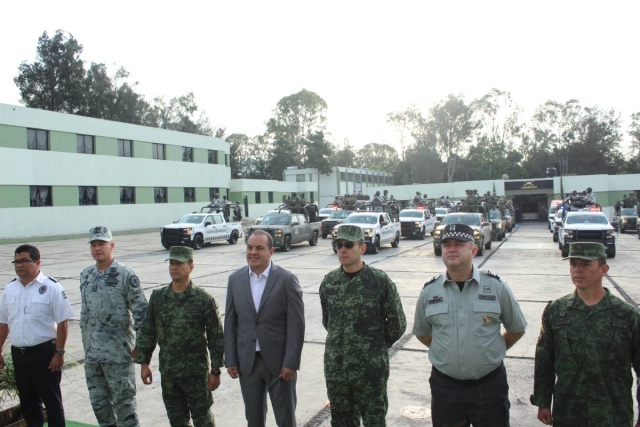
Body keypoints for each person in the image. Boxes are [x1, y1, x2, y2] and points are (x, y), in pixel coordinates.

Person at [413, 223, 527, 426]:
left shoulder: (496, 287)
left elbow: (516, 329)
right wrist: (447, 351)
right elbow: (422, 333)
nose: (451, 248)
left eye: (459, 244)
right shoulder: (429, 292)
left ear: (474, 250)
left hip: (489, 386)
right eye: (446, 244)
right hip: (445, 388)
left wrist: (490, 350)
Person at [530, 242, 640, 426]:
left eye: (585, 264)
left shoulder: (626, 314)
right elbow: (544, 361)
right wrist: (543, 402)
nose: (577, 270)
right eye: (573, 264)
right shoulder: (556, 311)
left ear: (603, 269)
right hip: (569, 413)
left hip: (613, 414)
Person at [319, 225, 406, 426]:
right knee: (341, 421)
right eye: (338, 245)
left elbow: (397, 323)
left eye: (348, 245)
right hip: (337, 368)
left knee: (374, 420)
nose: (343, 249)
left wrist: (374, 347)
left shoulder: (378, 281)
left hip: (370, 370)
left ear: (362, 248)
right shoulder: (330, 281)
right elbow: (328, 321)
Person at [135, 246, 224, 427]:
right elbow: (148, 331)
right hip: (169, 373)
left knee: (203, 419)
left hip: (196, 375)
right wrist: (144, 363)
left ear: (191, 266)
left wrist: (215, 370)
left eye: (179, 263)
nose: (173, 267)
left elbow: (216, 337)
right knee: (176, 420)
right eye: (171, 263)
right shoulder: (158, 298)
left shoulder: (203, 300)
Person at [224, 230, 305, 427]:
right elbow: (230, 323)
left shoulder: (286, 280)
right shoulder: (235, 280)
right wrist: (231, 359)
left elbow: (297, 325)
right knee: (253, 419)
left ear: (271, 251)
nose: (253, 252)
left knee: (285, 419)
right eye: (250, 247)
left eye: (260, 248)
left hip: (279, 365)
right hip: (248, 364)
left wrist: (291, 362)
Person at [80, 226, 148, 427]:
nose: (97, 248)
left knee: (125, 408)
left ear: (112, 245)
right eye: (93, 244)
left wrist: (141, 346)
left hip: (118, 355)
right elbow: (85, 313)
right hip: (92, 356)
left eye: (101, 243)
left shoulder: (124, 274)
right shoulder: (86, 274)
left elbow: (141, 312)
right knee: (100, 406)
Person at [0, 245, 74, 427]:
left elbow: (63, 322)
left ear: (37, 262)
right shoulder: (9, 289)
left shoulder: (51, 287)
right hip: (20, 355)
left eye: (24, 260)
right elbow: (3, 323)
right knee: (29, 404)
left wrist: (59, 353)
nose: (19, 265)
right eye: (16, 261)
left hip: (45, 355)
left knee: (52, 403)